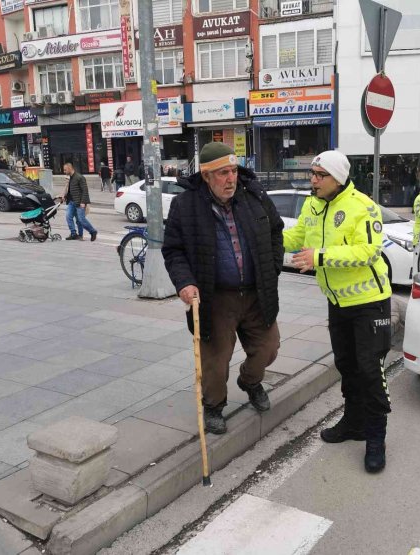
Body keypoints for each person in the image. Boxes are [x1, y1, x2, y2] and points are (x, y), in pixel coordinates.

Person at [162, 143, 284, 435]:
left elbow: (275, 232)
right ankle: (214, 406)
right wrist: (184, 282)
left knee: (269, 348)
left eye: (233, 171)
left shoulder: (253, 196)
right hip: (215, 298)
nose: (231, 179)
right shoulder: (185, 206)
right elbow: (174, 250)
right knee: (215, 363)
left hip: (256, 294)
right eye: (222, 173)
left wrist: (272, 267)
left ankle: (250, 382)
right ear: (206, 176)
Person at [283, 150, 392, 473]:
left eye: (319, 175)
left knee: (369, 369)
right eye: (312, 175)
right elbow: (296, 237)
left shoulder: (362, 207)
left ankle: (375, 437)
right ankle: (354, 423)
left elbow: (369, 250)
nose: (313, 181)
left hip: (370, 302)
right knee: (346, 365)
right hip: (337, 302)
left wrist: (320, 256)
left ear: (338, 178)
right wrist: (266, 233)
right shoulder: (312, 205)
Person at [63, 162, 97, 241]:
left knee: (81, 220)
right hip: (71, 202)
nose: (64, 172)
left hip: (79, 202)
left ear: (69, 168)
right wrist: (65, 196)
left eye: (65, 170)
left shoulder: (80, 177)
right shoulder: (70, 178)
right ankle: (73, 233)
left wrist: (83, 202)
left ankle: (92, 231)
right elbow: (70, 190)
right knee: (68, 217)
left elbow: (85, 190)